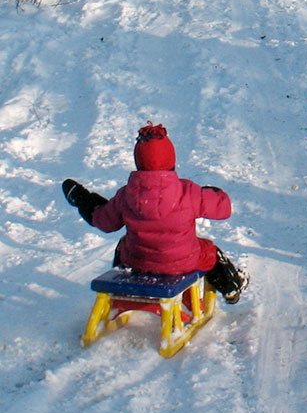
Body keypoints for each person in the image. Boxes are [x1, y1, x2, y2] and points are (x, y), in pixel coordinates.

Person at [61, 122, 249, 304]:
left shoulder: (126, 195)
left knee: (122, 245)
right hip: (182, 262)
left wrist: (85, 201)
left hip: (137, 262)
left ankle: (123, 288)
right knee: (210, 251)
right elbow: (223, 209)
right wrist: (213, 192)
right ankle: (232, 286)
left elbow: (104, 221)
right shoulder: (188, 191)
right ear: (171, 159)